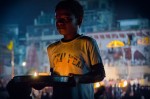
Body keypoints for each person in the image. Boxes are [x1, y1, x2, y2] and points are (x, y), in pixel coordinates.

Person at [47, 0, 105, 99]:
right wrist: (42, 83)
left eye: (66, 18)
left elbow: (100, 74)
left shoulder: (88, 43)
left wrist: (78, 79)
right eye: (57, 19)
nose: (60, 22)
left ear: (79, 20)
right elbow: (54, 78)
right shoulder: (51, 48)